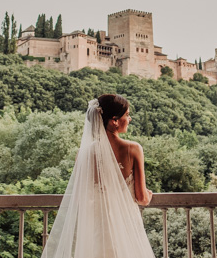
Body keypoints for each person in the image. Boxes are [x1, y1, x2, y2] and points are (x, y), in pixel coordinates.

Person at [40, 94, 156, 258]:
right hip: (126, 230)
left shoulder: (83, 154)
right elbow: (142, 198)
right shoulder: (133, 149)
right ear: (114, 120)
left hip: (97, 232)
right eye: (127, 115)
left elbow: (82, 197)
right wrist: (148, 195)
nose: (129, 119)